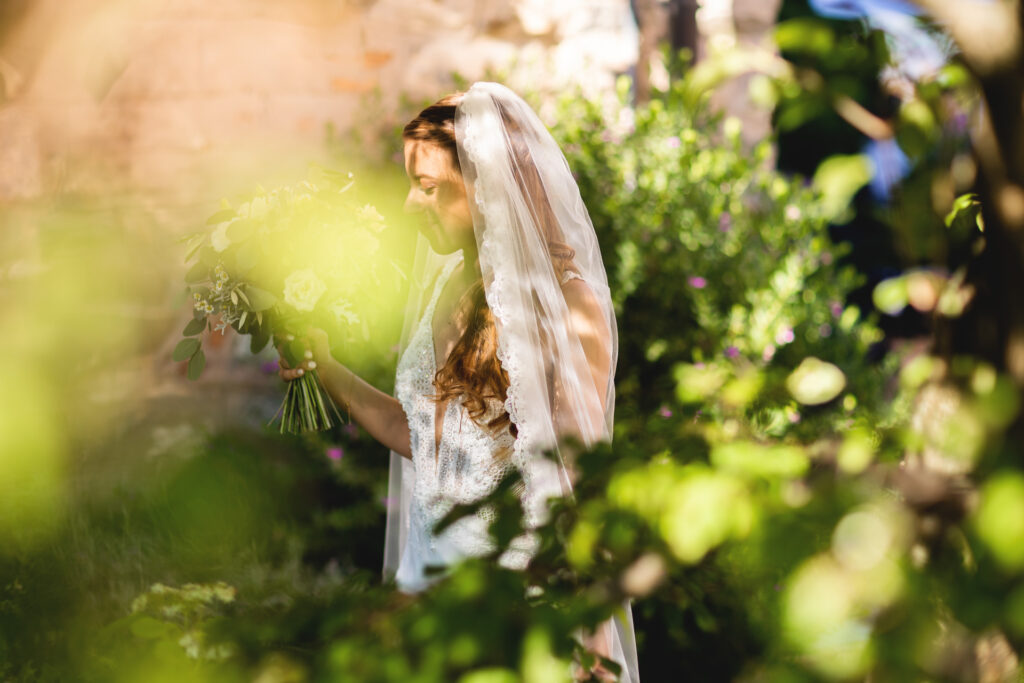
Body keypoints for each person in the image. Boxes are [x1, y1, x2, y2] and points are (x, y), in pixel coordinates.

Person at [278, 82, 639, 682]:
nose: (409, 206)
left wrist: (589, 643)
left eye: (427, 188)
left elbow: (578, 483)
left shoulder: (567, 306)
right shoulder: (448, 292)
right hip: (427, 593)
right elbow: (419, 433)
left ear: (485, 188)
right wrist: (326, 368)